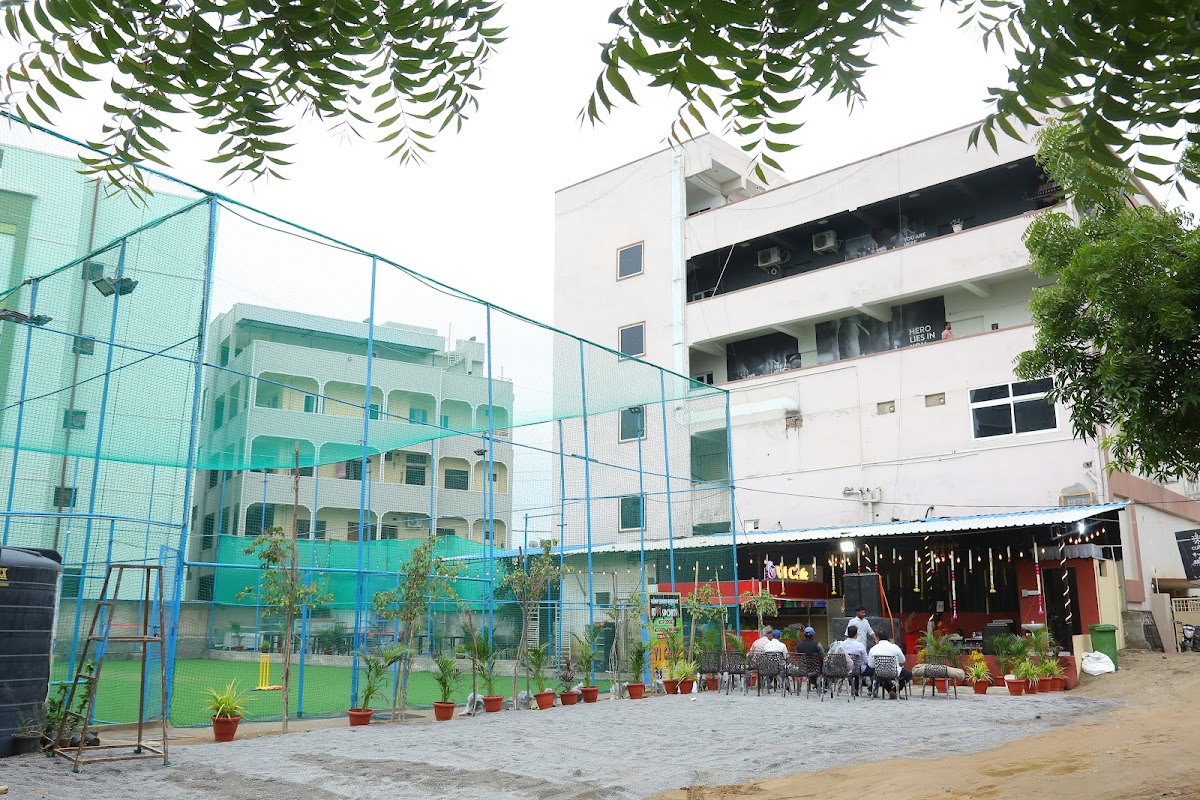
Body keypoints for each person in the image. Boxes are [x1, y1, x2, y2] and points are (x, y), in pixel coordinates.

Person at [866, 632, 912, 699]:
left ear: (878, 638)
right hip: (894, 672)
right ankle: (894, 690)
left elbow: (871, 665)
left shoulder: (873, 649)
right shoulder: (894, 647)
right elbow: (903, 660)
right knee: (909, 674)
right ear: (888, 638)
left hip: (879, 673)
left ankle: (890, 691)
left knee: (883, 677)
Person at [838, 625, 869, 695]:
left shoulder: (841, 644)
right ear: (856, 634)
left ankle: (839, 689)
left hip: (843, 669)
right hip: (856, 670)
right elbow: (865, 660)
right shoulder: (860, 645)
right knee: (859, 668)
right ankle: (856, 689)